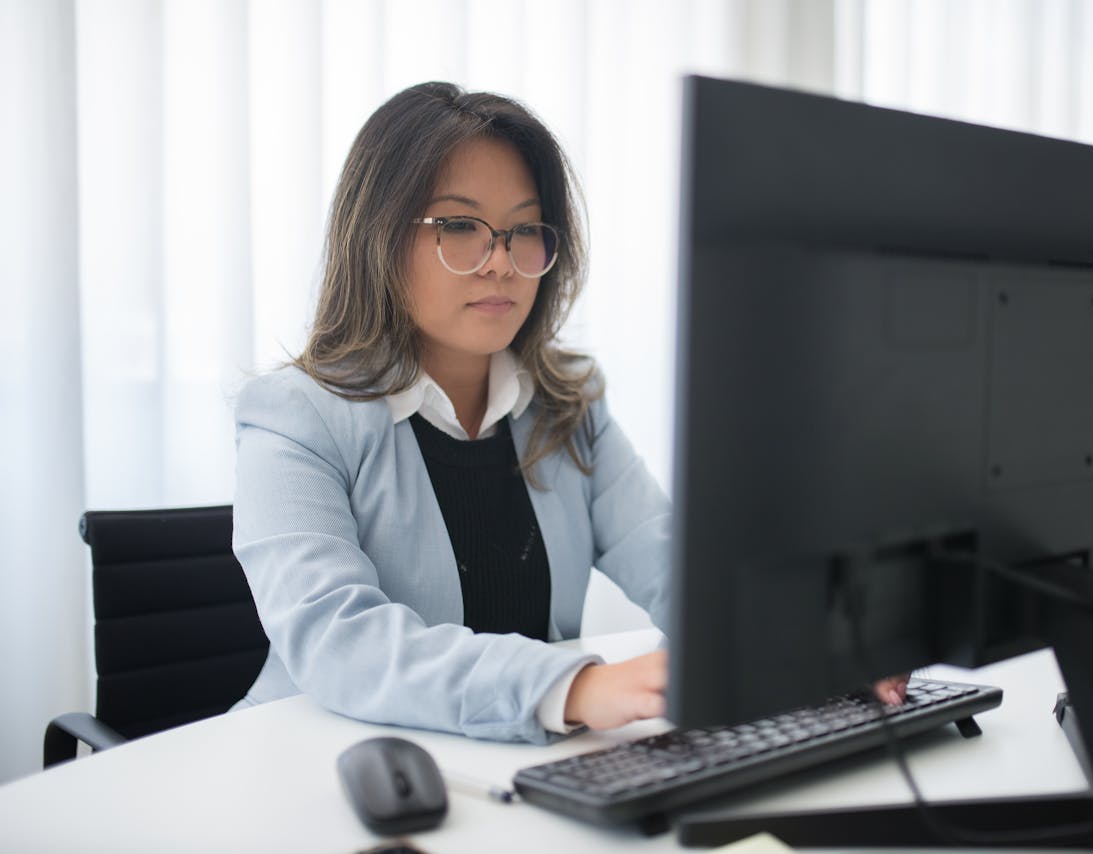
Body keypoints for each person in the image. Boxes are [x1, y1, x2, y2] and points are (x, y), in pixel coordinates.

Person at [232, 82, 905, 744]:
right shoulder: (296, 417)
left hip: (504, 772)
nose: (501, 263)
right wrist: (572, 686)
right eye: (461, 226)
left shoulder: (567, 405)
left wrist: (808, 647)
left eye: (524, 230)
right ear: (377, 236)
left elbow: (669, 557)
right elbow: (336, 637)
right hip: (322, 769)